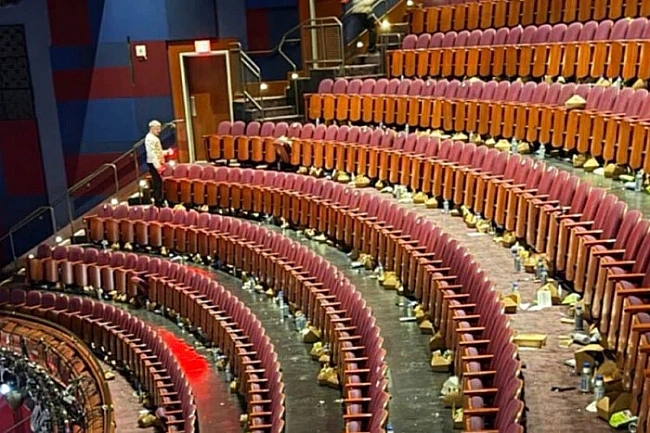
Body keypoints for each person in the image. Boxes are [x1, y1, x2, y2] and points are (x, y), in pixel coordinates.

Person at [144, 120, 165, 206]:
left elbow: (157, 151)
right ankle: (158, 200)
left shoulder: (154, 138)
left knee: (159, 182)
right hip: (153, 163)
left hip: (157, 162)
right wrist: (157, 166)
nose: (159, 130)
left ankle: (160, 199)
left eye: (159, 128)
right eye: (157, 128)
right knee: (157, 182)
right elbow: (152, 153)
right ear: (152, 128)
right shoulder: (149, 138)